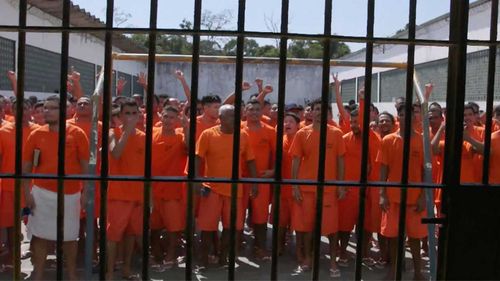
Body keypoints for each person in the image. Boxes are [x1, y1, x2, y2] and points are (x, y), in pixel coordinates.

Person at [22, 95, 90, 281]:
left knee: (69, 237)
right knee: (39, 235)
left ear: (64, 111)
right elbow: (26, 167)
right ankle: (38, 272)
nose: (47, 111)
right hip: (41, 193)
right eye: (46, 107)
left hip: (70, 194)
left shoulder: (77, 134)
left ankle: (71, 273)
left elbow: (86, 167)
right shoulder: (36, 134)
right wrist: (26, 193)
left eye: (52, 108)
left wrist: (85, 193)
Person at [195, 104, 258, 269]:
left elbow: (250, 160)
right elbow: (197, 159)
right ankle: (203, 260)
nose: (235, 119)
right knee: (208, 228)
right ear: (221, 119)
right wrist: (196, 181)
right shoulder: (208, 134)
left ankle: (224, 259)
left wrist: (255, 182)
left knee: (231, 228)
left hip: (234, 189)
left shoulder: (243, 136)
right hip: (212, 188)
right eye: (231, 116)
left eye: (237, 115)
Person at [290, 99, 346, 278]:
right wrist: (295, 186)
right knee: (307, 227)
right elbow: (296, 160)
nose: (319, 112)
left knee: (331, 228)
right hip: (307, 189)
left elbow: (340, 160)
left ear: (328, 114)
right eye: (316, 109)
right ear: (311, 112)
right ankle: (307, 259)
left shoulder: (336, 134)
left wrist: (341, 185)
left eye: (323, 110)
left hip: (329, 189)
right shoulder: (301, 134)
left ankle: (332, 262)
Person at [377, 104, 427, 280]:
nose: (409, 117)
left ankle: (418, 273)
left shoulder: (422, 140)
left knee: (415, 237)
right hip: (393, 196)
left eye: (411, 114)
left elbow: (425, 172)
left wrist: (423, 196)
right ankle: (394, 269)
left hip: (415, 198)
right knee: (394, 237)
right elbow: (383, 169)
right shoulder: (388, 140)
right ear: (399, 117)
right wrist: (382, 194)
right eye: (404, 114)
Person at [106, 98, 146, 280]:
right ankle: (108, 272)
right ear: (120, 116)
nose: (131, 117)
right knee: (113, 235)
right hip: (118, 195)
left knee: (131, 234)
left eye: (134, 113)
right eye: (127, 113)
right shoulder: (112, 133)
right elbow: (116, 154)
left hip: (137, 195)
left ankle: (126, 268)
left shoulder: (144, 137)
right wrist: (127, 133)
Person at [338, 109, 381, 267]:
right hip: (349, 189)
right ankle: (343, 253)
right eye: (352, 122)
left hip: (369, 190)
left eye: (357, 122)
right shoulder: (344, 139)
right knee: (345, 225)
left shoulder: (373, 138)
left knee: (366, 225)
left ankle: (363, 254)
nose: (354, 125)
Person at [0, 99, 39, 271]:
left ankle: (38, 258)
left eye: (25, 107)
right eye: (18, 108)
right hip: (10, 187)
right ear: (12, 111)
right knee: (11, 224)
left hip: (35, 186)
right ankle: (11, 258)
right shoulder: (3, 131)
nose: (22, 111)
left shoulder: (38, 131)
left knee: (36, 223)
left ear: (30, 109)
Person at [150, 106, 189, 271]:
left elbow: (188, 148)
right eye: (165, 117)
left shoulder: (181, 136)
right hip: (153, 190)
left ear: (177, 120)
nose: (168, 120)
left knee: (174, 228)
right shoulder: (151, 134)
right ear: (160, 117)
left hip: (173, 191)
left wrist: (187, 128)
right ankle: (157, 253)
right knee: (154, 227)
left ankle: (171, 255)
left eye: (172, 117)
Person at [241, 99, 276, 259]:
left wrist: (273, 171)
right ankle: (235, 246)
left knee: (261, 217)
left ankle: (260, 248)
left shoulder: (269, 130)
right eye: (251, 109)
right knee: (236, 216)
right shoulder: (238, 129)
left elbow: (277, 154)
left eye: (257, 109)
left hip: (261, 179)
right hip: (241, 179)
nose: (254, 112)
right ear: (245, 112)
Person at [270, 112, 300, 255]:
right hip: (282, 188)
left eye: (291, 122)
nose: (287, 124)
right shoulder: (280, 141)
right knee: (280, 221)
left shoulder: (302, 140)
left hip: (298, 189)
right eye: (285, 121)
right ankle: (279, 246)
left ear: (298, 125)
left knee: (300, 223)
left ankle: (301, 252)